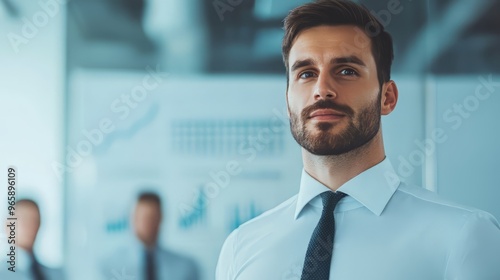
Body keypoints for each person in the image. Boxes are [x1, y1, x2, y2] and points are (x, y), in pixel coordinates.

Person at [216, 0, 500, 279]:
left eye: (346, 71)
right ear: (288, 101)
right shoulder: (241, 246)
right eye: (306, 73)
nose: (322, 89)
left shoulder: (463, 236)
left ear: (387, 98)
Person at [103, 192, 199, 280]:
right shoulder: (110, 267)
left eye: (152, 218)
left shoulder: (185, 267)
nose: (147, 224)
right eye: (143, 218)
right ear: (132, 219)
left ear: (161, 218)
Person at [1, 199, 64, 280]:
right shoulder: (2, 274)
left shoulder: (56, 274)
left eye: (34, 220)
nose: (29, 226)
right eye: (23, 220)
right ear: (8, 225)